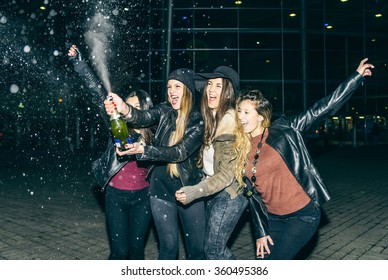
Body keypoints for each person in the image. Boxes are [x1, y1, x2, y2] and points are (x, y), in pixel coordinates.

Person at [234, 58, 374, 260]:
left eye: (246, 112)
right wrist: (260, 232)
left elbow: (323, 107)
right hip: (273, 219)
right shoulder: (242, 146)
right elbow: (253, 196)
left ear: (261, 116)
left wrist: (356, 77)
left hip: (302, 214)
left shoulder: (284, 130)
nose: (241, 117)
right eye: (239, 111)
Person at [104, 68, 206, 260]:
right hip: (161, 190)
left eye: (177, 86)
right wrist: (124, 108)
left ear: (188, 91)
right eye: (169, 86)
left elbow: (179, 152)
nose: (171, 91)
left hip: (189, 189)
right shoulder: (165, 110)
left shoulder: (198, 120)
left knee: (197, 252)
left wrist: (144, 150)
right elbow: (143, 117)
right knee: (168, 248)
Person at [68, 45, 154, 260]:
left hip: (143, 198)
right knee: (118, 252)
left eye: (134, 106)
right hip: (115, 195)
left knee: (136, 252)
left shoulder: (154, 130)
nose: (128, 109)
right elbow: (97, 91)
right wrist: (80, 64)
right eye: (127, 105)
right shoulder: (116, 122)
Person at [175, 66, 248, 260]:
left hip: (229, 194)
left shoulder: (229, 120)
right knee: (213, 248)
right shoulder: (212, 118)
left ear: (228, 91)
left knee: (213, 250)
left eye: (218, 85)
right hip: (215, 190)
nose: (211, 89)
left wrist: (194, 191)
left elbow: (226, 175)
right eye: (209, 84)